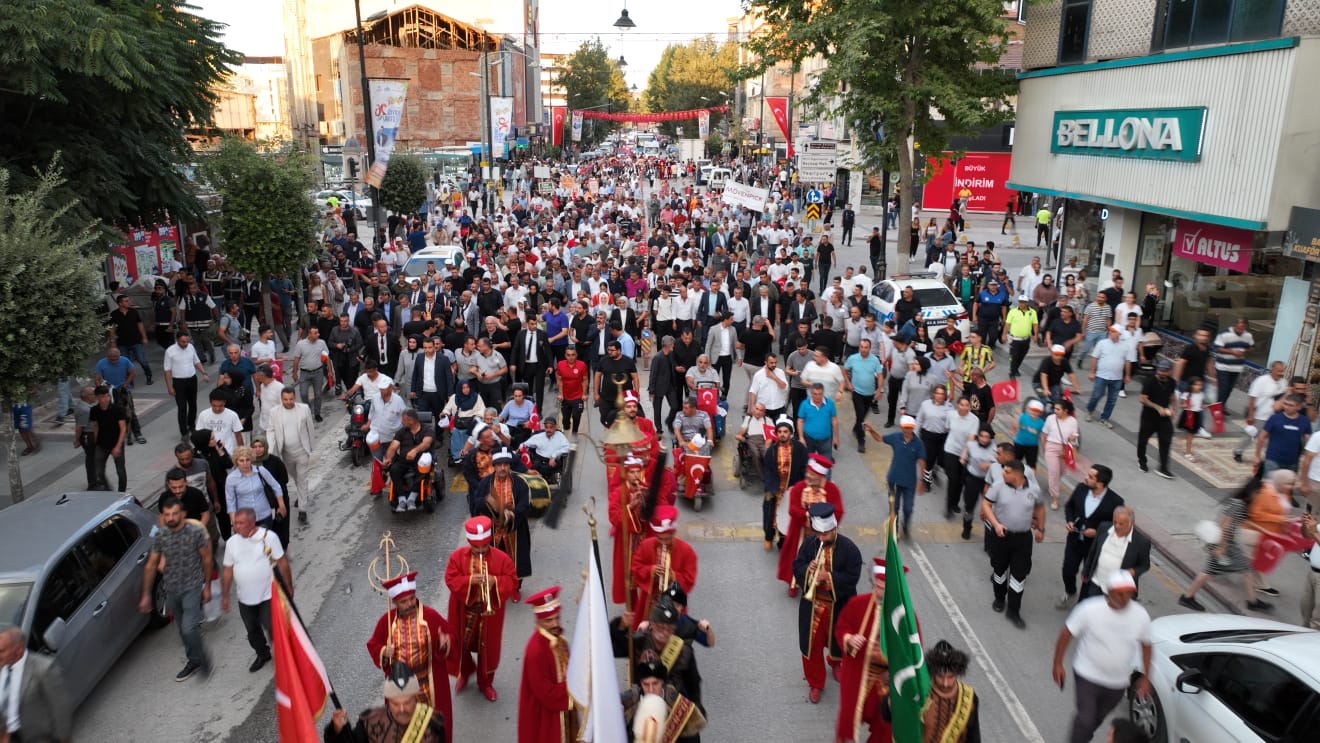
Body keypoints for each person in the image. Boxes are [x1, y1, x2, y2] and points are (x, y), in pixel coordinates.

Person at [1052, 571, 1153, 743]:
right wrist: (1057, 664)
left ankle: (1083, 737)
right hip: (1087, 675)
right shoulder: (1089, 609)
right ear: (1109, 592)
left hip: (1117, 683)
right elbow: (1066, 634)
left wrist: (1145, 677)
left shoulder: (1140, 615)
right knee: (1085, 718)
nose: (1125, 598)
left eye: (1129, 594)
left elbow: (1146, 646)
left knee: (1094, 721)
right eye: (1120, 594)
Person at [366, 571, 454, 743]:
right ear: (395, 603)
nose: (409, 604)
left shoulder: (430, 616)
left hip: (428, 685)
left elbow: (450, 634)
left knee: (432, 727)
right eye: (403, 602)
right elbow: (373, 644)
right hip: (401, 691)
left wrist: (445, 642)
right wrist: (384, 651)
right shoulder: (386, 621)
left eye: (412, 599)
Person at [793, 502, 862, 704]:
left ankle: (835, 662)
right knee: (811, 646)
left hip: (838, 607)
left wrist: (828, 577)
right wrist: (808, 569)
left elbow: (852, 578)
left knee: (839, 641)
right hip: (813, 607)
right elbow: (797, 566)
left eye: (825, 535)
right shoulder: (809, 544)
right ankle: (815, 683)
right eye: (818, 535)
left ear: (834, 528)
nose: (821, 539)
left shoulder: (850, 550)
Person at [139, 495, 213, 680]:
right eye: (167, 514)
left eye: (174, 514)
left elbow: (206, 558)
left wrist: (207, 586)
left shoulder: (194, 532)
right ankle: (193, 659)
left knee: (189, 628)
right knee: (182, 630)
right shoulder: (161, 536)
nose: (171, 518)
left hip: (192, 587)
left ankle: (203, 658)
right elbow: (151, 564)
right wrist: (146, 594)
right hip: (172, 590)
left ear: (183, 514)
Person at [445, 516, 518, 701]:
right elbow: (451, 579)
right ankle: (465, 671)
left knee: (488, 650)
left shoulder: (503, 559)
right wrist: (469, 580)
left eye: (484, 547)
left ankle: (485, 683)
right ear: (470, 543)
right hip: (465, 611)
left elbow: (512, 581)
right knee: (460, 645)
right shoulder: (457, 557)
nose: (480, 551)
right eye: (476, 547)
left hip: (489, 614)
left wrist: (495, 581)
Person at [1178, 478, 1273, 612]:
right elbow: (1224, 524)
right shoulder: (1238, 504)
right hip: (1224, 543)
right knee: (1217, 571)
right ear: (1252, 491)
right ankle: (1187, 597)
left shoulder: (1239, 503)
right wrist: (1221, 547)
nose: (1260, 496)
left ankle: (1188, 597)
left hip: (1224, 543)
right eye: (1259, 493)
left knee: (1229, 570)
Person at [220, 506, 292, 673]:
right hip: (244, 598)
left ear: (252, 522)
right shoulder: (231, 543)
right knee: (252, 630)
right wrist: (225, 595)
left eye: (240, 523)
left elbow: (282, 563)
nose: (236, 526)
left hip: (268, 594)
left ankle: (282, 656)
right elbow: (227, 571)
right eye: (235, 523)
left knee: (273, 627)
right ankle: (262, 654)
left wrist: (288, 586)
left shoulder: (269, 538)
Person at [832, 558, 894, 743]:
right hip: (857, 674)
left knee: (886, 728)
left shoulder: (905, 617)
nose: (879, 591)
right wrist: (850, 639)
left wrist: (887, 659)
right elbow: (842, 627)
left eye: (884, 587)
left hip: (885, 682)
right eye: (877, 585)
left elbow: (913, 652)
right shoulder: (858, 604)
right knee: (847, 722)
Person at [981, 460, 1046, 629]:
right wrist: (996, 524)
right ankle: (1000, 597)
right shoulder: (998, 486)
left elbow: (1039, 508)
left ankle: (1014, 610)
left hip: (1023, 539)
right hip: (1001, 537)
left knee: (1019, 576)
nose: (1003, 474)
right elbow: (986, 504)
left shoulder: (1034, 489)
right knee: (999, 570)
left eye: (1007, 472)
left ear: (1018, 474)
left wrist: (1041, 528)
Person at [325, 662, 446, 743]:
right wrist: (338, 729)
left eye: (407, 702)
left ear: (415, 697)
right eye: (395, 704)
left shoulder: (432, 722)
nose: (402, 709)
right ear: (388, 700)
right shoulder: (369, 722)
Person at [1056, 465, 1124, 610]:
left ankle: (1082, 606)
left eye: (1091, 476)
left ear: (1100, 483)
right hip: (1075, 539)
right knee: (1068, 570)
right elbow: (1070, 506)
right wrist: (1069, 520)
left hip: (1094, 547)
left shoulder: (1115, 501)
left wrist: (1098, 532)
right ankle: (1070, 591)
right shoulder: (1081, 488)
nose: (1086, 477)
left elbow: (1117, 525)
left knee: (1088, 577)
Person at [777, 454, 846, 596]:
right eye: (808, 472)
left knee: (824, 558)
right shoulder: (799, 488)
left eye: (812, 474)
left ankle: (821, 581)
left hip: (824, 533)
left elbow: (838, 511)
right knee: (798, 557)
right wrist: (807, 517)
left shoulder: (832, 490)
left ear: (821, 476)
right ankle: (794, 581)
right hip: (802, 531)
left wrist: (825, 525)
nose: (808, 476)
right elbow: (793, 509)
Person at [518, 586, 577, 743]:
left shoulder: (559, 640)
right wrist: (576, 684)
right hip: (545, 719)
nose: (555, 624)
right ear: (538, 621)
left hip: (562, 710)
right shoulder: (535, 651)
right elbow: (547, 694)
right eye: (549, 620)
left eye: (557, 618)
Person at [469, 449, 533, 590]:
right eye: (499, 465)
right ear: (494, 466)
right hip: (492, 530)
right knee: (493, 561)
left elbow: (525, 504)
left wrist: (513, 514)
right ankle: (494, 586)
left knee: (515, 561)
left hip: (514, 530)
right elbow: (476, 502)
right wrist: (487, 501)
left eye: (506, 464)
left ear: (510, 466)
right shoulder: (486, 483)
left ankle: (515, 587)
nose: (503, 468)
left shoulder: (520, 483)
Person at [629, 505, 698, 630]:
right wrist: (651, 570)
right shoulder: (646, 545)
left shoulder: (688, 552)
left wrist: (674, 576)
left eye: (668, 539)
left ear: (674, 533)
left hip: (674, 604)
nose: (664, 543)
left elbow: (690, 579)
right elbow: (635, 567)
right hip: (649, 602)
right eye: (660, 539)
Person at [0, 625, 72, 743]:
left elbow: (60, 709)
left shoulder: (44, 668)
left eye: (2, 651)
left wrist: (64, 738)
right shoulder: (2, 667)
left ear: (19, 650)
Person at [867, 415, 927, 541]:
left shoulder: (918, 444)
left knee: (908, 508)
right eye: (905, 427)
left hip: (909, 482)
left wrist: (922, 480)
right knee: (894, 508)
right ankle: (895, 531)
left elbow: (922, 461)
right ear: (901, 427)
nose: (907, 430)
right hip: (893, 480)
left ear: (913, 428)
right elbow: (879, 439)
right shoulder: (895, 438)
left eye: (910, 428)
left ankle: (906, 526)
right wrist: (871, 430)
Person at [619, 659, 707, 743]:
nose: (651, 689)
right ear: (640, 684)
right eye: (646, 684)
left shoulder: (678, 706)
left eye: (655, 683)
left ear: (662, 682)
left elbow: (692, 739)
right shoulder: (630, 704)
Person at [265, 386, 315, 524]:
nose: (288, 402)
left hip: (302, 451)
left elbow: (310, 427)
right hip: (286, 454)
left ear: (295, 398)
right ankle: (302, 494)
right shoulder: (274, 412)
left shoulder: (304, 409)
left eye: (291, 399)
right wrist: (269, 450)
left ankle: (302, 509)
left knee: (302, 478)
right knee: (295, 477)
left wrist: (311, 447)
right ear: (281, 399)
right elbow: (271, 430)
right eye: (285, 399)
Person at [1079, 506, 1151, 600]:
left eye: (1121, 524)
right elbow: (1093, 551)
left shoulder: (1141, 542)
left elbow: (1145, 565)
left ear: (1131, 523)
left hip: (1118, 591)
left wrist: (1133, 571)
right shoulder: (1103, 527)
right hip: (1096, 583)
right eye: (1115, 522)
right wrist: (1086, 570)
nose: (1116, 526)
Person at [1137, 359, 1179, 479]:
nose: (1161, 373)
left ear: (1170, 371)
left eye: (1165, 371)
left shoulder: (1171, 382)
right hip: (1149, 417)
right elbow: (1143, 399)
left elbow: (1172, 396)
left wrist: (1173, 408)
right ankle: (1142, 461)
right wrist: (1157, 407)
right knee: (1143, 440)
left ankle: (1164, 467)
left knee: (1166, 441)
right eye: (1160, 370)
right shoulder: (1149, 381)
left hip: (1164, 418)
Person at [164, 330, 211, 438]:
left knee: (193, 405)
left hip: (191, 379)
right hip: (178, 381)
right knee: (182, 407)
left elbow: (196, 361)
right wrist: (169, 386)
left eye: (187, 341)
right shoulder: (170, 351)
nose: (185, 344)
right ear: (177, 340)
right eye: (183, 342)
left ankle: (191, 425)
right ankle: (184, 432)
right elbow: (167, 370)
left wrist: (204, 373)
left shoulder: (190, 347)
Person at [224, 446, 285, 527]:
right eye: (241, 461)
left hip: (265, 515)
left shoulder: (260, 470)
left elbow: (276, 486)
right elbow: (230, 502)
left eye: (247, 460)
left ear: (251, 459)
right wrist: (234, 522)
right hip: (245, 519)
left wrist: (281, 505)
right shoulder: (231, 478)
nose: (245, 463)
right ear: (236, 461)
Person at [1085, 325, 1132, 428]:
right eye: (1110, 331)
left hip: (1117, 378)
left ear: (1119, 334)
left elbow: (1127, 361)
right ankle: (1090, 410)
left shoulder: (1125, 346)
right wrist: (1092, 372)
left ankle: (1104, 418)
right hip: (1101, 375)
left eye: (1113, 331)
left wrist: (1127, 375)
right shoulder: (1102, 343)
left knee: (1112, 399)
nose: (1111, 332)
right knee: (1097, 395)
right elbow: (1094, 358)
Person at [843, 339, 884, 453]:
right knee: (861, 418)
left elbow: (880, 376)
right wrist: (848, 383)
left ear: (869, 348)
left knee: (862, 415)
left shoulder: (874, 360)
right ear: (859, 347)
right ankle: (861, 441)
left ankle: (856, 428)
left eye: (866, 347)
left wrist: (879, 390)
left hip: (869, 394)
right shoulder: (853, 359)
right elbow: (845, 370)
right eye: (861, 347)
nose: (863, 349)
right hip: (857, 393)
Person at [1254, 393, 1312, 476]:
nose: (1286, 407)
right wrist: (1257, 456)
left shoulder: (1305, 421)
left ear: (1299, 407)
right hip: (1272, 459)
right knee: (1270, 486)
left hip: (1292, 462)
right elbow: (1262, 437)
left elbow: (1308, 441)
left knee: (1287, 487)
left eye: (1291, 405)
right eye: (1285, 404)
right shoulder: (1274, 418)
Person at [88, 384, 128, 492]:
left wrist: (118, 446)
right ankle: (108, 490)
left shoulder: (118, 409)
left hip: (116, 443)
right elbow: (95, 425)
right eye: (103, 397)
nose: (106, 399)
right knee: (99, 471)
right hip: (102, 444)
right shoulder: (94, 410)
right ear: (97, 398)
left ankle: (122, 492)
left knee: (120, 470)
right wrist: (96, 441)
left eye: (107, 396)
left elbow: (123, 428)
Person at [797, 382, 840, 460]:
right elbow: (800, 421)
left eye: (820, 394)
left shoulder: (830, 403)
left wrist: (836, 437)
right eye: (815, 394)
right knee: (807, 462)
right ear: (811, 393)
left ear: (823, 393)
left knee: (826, 464)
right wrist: (801, 437)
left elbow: (834, 420)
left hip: (826, 439)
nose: (817, 396)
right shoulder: (804, 404)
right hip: (809, 439)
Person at [1002, 295, 1038, 379]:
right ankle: (1012, 372)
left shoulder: (1032, 312)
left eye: (1023, 302)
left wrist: (1035, 335)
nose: (1021, 304)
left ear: (1027, 303)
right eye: (1020, 302)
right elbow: (1007, 324)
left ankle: (1016, 368)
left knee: (1022, 355)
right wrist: (1004, 334)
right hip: (1015, 339)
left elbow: (1035, 324)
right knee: (1014, 356)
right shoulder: (1013, 311)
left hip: (1026, 338)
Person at [1179, 377, 1207, 462]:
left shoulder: (1201, 394)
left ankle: (1187, 443)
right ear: (1191, 385)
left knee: (1192, 434)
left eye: (1200, 385)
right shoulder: (1187, 394)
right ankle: (1188, 453)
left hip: (1197, 415)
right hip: (1189, 415)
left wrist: (1203, 406)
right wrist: (1185, 405)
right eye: (1196, 384)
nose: (1198, 386)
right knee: (1191, 435)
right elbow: (1182, 404)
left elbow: (1200, 404)